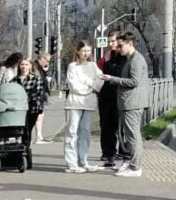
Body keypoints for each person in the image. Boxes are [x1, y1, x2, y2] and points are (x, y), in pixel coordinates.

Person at [101, 32, 149, 178]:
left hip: (132, 103)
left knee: (133, 136)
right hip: (128, 102)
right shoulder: (131, 58)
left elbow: (134, 82)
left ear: (130, 44)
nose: (118, 48)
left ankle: (135, 167)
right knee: (130, 135)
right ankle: (133, 165)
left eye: (121, 45)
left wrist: (112, 79)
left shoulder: (136, 60)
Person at [63, 41, 105, 174]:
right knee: (72, 131)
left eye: (88, 51)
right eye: (83, 51)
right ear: (78, 51)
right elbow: (73, 85)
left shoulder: (93, 66)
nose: (86, 53)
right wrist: (89, 86)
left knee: (85, 132)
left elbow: (100, 81)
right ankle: (71, 162)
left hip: (89, 103)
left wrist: (89, 84)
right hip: (75, 102)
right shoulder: (72, 66)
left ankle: (83, 160)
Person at [97, 31, 125, 166]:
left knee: (121, 128)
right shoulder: (107, 56)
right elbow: (100, 73)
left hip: (119, 96)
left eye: (113, 41)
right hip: (106, 96)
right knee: (107, 127)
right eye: (109, 41)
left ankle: (124, 153)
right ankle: (109, 154)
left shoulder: (125, 56)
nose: (111, 44)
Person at [15, 57, 46, 143]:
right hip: (18, 108)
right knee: (20, 128)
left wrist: (25, 98)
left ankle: (25, 146)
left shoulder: (36, 79)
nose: (24, 67)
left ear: (30, 66)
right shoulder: (14, 80)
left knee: (27, 128)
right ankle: (19, 145)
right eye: (22, 64)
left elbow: (38, 92)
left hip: (32, 108)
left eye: (26, 64)